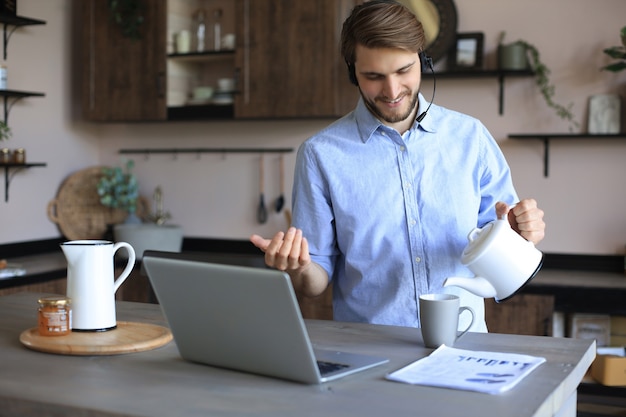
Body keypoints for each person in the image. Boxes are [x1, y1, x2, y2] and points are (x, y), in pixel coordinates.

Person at [250, 0, 545, 332]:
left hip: (462, 347)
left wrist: (520, 235)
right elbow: (314, 282)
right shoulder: (320, 155)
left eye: (404, 71)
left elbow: (505, 248)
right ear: (352, 72)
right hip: (368, 353)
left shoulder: (471, 138)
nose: (392, 91)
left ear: (422, 60)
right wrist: (298, 267)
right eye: (374, 76)